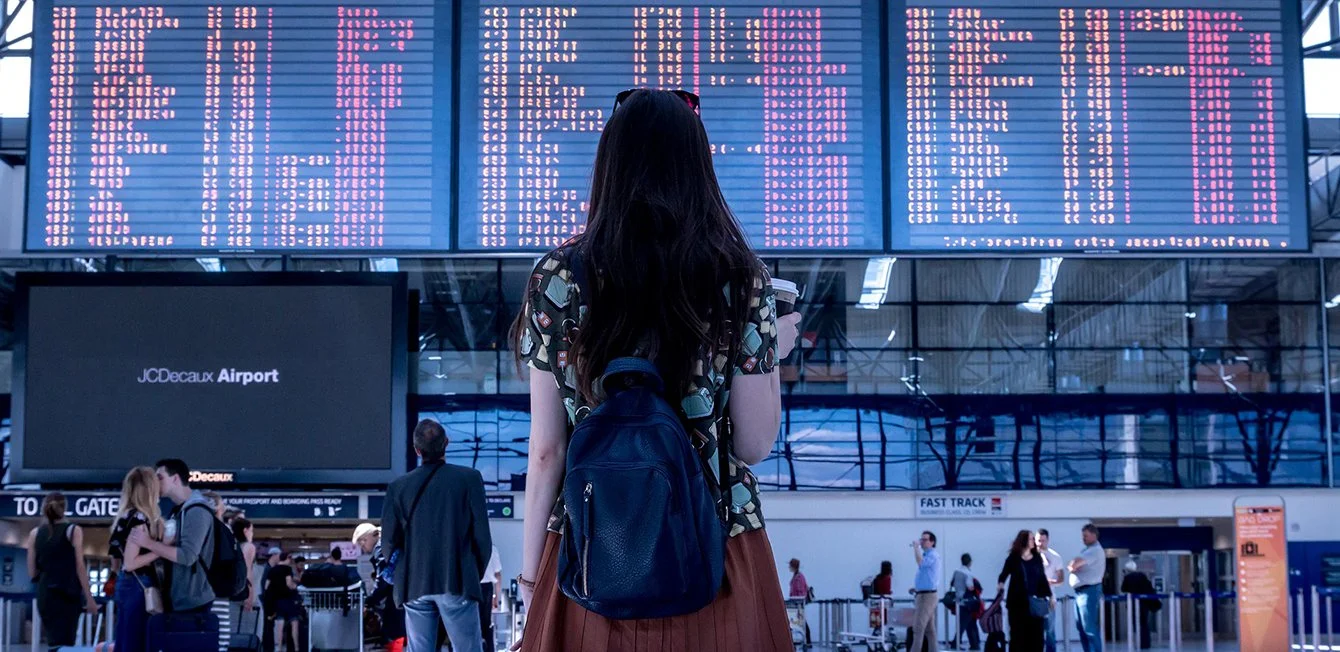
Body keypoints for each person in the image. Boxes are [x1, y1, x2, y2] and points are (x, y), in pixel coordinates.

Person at [508, 88, 803, 651]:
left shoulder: (557, 277)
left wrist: (530, 579)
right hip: (717, 548)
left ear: (609, 165)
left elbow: (547, 451)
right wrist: (769, 359)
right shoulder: (742, 277)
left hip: (592, 549)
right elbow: (754, 442)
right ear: (699, 166)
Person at [382, 418, 491, 652]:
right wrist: (472, 571)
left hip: (413, 583)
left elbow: (388, 542)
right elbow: (482, 537)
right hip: (457, 579)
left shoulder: (398, 487)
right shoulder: (469, 479)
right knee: (468, 648)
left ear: (417, 450)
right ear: (447, 443)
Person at [129, 459, 218, 623]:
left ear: (175, 478)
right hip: (181, 599)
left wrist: (149, 544)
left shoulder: (196, 511)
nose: (155, 482)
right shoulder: (178, 511)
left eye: (160, 477)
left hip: (192, 601)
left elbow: (187, 556)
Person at [27, 492, 98, 651]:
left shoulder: (34, 533)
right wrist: (90, 599)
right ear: (65, 508)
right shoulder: (73, 530)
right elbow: (80, 567)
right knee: (66, 642)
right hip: (68, 594)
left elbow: (32, 572)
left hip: (46, 595)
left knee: (54, 641)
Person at [109, 467, 165, 652]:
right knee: (137, 641)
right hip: (139, 587)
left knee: (125, 639)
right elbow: (130, 563)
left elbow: (116, 562)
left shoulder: (123, 518)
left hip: (126, 586)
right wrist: (162, 550)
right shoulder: (140, 520)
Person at [997, 530, 1052, 651]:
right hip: (1017, 603)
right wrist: (1000, 585)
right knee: (1017, 636)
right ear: (1024, 541)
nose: (1034, 541)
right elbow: (1004, 574)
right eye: (1031, 539)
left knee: (1037, 636)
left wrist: (1050, 596)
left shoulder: (1037, 558)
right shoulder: (1014, 558)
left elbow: (1042, 577)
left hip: (1034, 602)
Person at [1069, 524, 1106, 652]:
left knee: (1089, 628)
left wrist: (1074, 565)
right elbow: (1073, 563)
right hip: (1080, 593)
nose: (1083, 538)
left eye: (1085, 536)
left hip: (1088, 592)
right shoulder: (1087, 550)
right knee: (1082, 628)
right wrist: (1073, 564)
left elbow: (1074, 564)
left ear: (1094, 535)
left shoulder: (1094, 550)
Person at [909, 531, 942, 652]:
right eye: (921, 539)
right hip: (923, 593)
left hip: (927, 597)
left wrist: (916, 547)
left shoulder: (932, 555)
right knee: (929, 630)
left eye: (925, 540)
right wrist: (917, 587)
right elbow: (927, 576)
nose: (922, 542)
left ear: (932, 542)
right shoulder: (927, 555)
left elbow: (920, 562)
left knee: (918, 627)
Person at [263, 552, 302, 652]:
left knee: (279, 625)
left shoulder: (272, 569)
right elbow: (289, 584)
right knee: (294, 623)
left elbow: (266, 586)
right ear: (287, 558)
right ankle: (297, 648)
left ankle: (279, 648)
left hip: (277, 601)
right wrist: (297, 587)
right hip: (289, 600)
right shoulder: (287, 569)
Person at [229, 517, 258, 644]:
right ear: (245, 530)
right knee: (246, 629)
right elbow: (247, 571)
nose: (252, 533)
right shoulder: (248, 547)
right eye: (251, 530)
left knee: (232, 629)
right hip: (242, 592)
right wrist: (250, 594)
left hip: (231, 590)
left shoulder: (233, 545)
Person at [1037, 529, 1066, 652]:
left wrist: (1049, 582)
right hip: (1033, 598)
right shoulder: (1028, 556)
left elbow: (1061, 579)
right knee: (1033, 630)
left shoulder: (1055, 557)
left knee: (1049, 630)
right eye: (1038, 540)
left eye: (1043, 541)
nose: (1040, 543)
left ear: (1047, 540)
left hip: (1049, 598)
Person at [1120, 561, 1158, 650]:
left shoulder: (1127, 577)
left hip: (1132, 604)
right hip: (1145, 603)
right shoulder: (1142, 576)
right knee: (1144, 623)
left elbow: (1123, 589)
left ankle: (1138, 642)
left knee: (1136, 623)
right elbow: (1149, 587)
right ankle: (1146, 643)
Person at [950, 554, 980, 651]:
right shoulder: (968, 573)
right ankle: (955, 643)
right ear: (969, 562)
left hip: (958, 600)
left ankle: (974, 644)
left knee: (969, 623)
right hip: (967, 601)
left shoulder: (956, 571)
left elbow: (952, 583)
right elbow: (970, 586)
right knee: (963, 624)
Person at [480, 546, 502, 652]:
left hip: (468, 588)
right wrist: (496, 597)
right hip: (486, 589)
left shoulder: (464, 545)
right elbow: (497, 575)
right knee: (486, 626)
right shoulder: (491, 548)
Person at [788, 559, 812, 645]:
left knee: (801, 620)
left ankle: (808, 640)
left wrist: (796, 600)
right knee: (801, 620)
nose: (789, 567)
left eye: (790, 566)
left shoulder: (798, 577)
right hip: (796, 603)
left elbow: (800, 591)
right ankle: (807, 639)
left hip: (798, 603)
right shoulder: (797, 576)